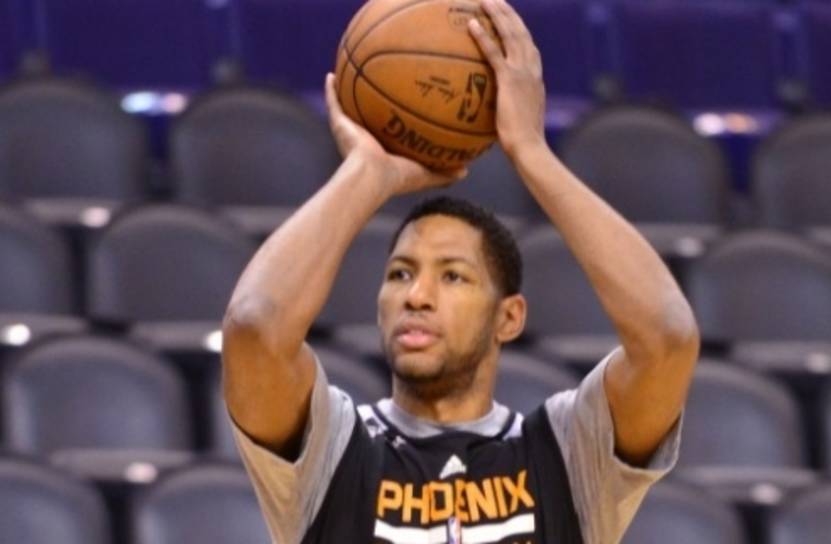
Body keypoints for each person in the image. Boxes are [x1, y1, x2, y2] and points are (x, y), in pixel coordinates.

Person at [222, 0, 700, 542]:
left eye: (453, 276)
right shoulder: (334, 452)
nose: (417, 295)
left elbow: (668, 337)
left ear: (508, 317)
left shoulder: (567, 456)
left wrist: (532, 153)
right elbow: (254, 327)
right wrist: (366, 173)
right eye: (400, 274)